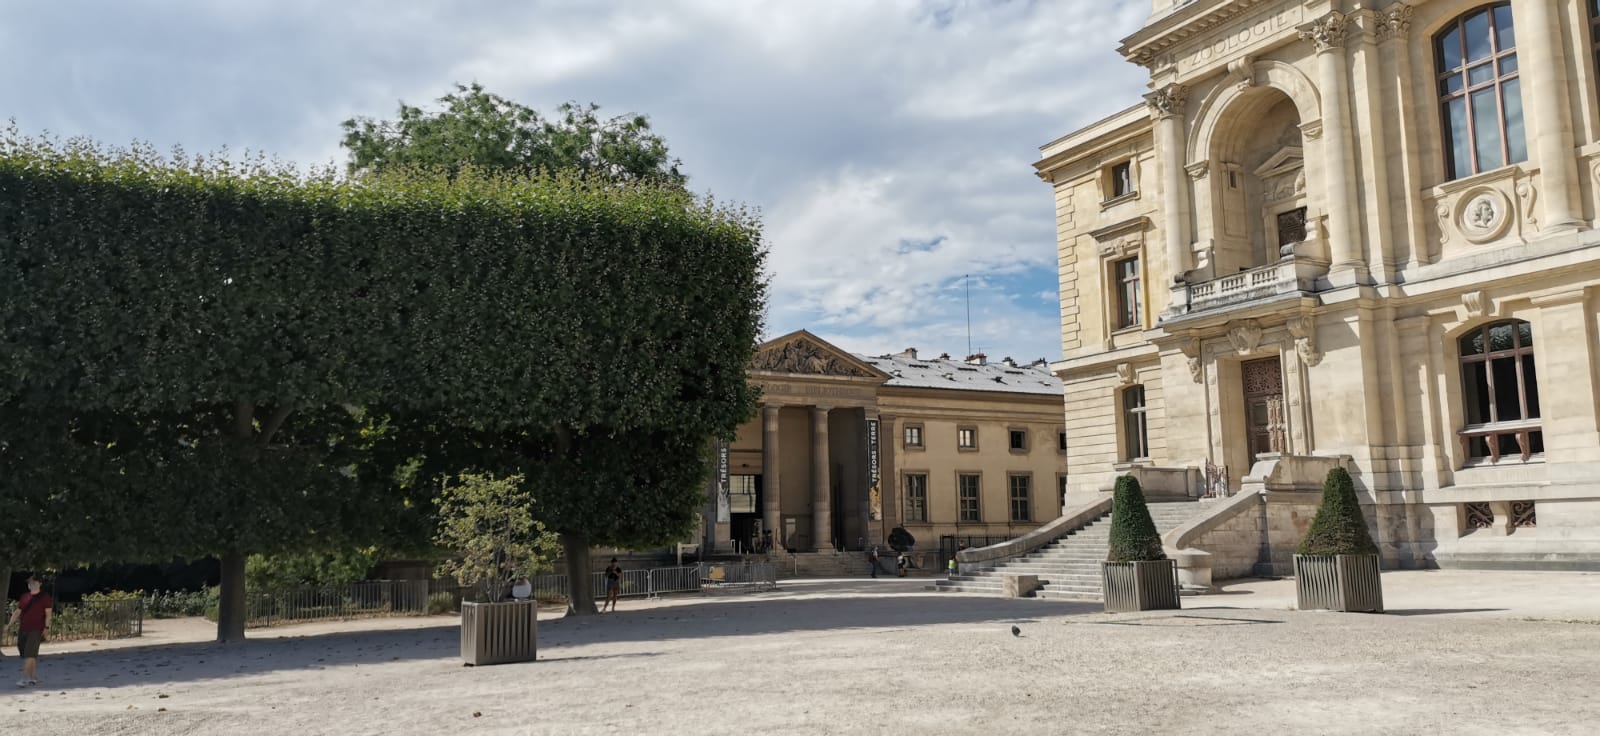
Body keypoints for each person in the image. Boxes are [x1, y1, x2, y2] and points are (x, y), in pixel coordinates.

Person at [7, 574, 52, 688]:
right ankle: (33, 678)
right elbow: (18, 612)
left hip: (36, 629)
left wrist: (46, 628)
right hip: (23, 629)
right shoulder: (24, 596)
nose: (31, 584)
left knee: (29, 654)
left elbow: (48, 614)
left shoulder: (45, 597)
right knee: (28, 654)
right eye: (29, 582)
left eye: (33, 582)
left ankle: (24, 678)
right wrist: (9, 625)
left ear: (39, 583)